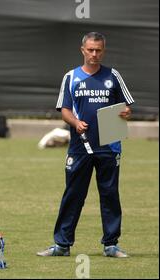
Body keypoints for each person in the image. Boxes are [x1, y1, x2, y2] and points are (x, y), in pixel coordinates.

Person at [37, 32, 134, 258]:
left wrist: (126, 112)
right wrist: (75, 122)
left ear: (104, 50)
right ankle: (62, 245)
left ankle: (111, 245)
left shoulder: (113, 75)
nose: (94, 54)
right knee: (73, 194)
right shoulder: (71, 77)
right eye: (90, 50)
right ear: (83, 50)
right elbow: (64, 110)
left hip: (109, 146)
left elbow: (126, 106)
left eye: (98, 50)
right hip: (80, 147)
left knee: (109, 194)